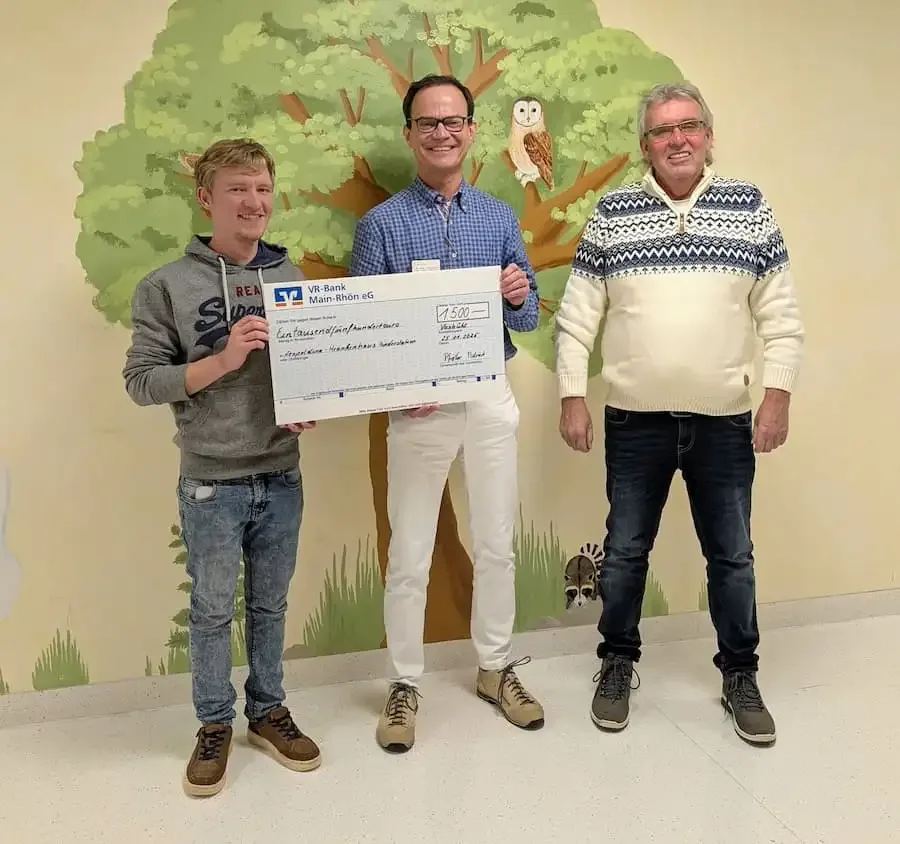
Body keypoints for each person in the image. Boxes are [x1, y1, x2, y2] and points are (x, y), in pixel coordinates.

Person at [555, 82, 804, 745]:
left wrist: (776, 393)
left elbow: (780, 316)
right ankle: (616, 663)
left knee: (732, 555)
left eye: (689, 126)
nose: (678, 140)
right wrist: (571, 395)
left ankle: (740, 674)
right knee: (625, 553)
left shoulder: (749, 208)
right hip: (635, 421)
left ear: (709, 135)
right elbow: (577, 318)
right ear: (645, 146)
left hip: (724, 422)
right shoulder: (612, 213)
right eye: (663, 131)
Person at [349, 74, 545, 753]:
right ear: (410, 134)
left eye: (453, 120)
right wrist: (402, 385)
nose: (441, 131)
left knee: (497, 541)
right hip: (419, 406)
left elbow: (525, 312)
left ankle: (495, 668)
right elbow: (365, 329)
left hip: (489, 391)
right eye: (427, 122)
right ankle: (404, 683)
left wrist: (519, 289)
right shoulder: (379, 226)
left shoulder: (496, 218)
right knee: (409, 553)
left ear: (471, 129)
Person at [123, 138, 320, 796]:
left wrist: (307, 406)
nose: (254, 201)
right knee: (211, 611)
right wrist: (222, 361)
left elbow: (311, 369)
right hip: (211, 481)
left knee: (269, 606)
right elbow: (143, 382)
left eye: (263, 188)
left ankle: (266, 710)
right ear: (206, 199)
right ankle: (214, 724)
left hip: (282, 472)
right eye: (238, 189)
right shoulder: (166, 287)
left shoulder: (291, 279)